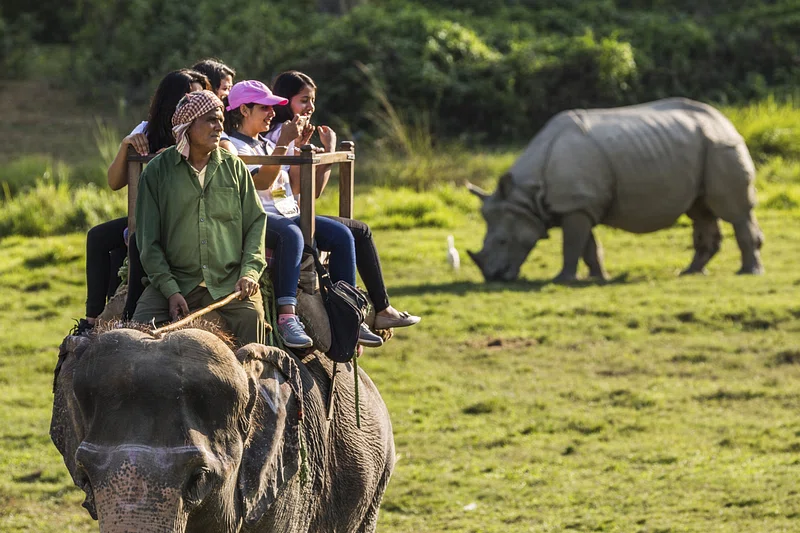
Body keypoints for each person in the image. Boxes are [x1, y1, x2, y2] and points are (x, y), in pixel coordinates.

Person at [224, 80, 384, 349]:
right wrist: (284, 143)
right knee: (292, 234)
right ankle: (288, 316)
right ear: (243, 110)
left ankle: (350, 314)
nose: (273, 114)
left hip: (287, 213)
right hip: (256, 217)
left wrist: (298, 146)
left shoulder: (264, 143)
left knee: (343, 235)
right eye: (266, 107)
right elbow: (261, 183)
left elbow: (295, 187)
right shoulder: (231, 146)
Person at [268, 70, 421, 331]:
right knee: (353, 232)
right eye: (304, 100)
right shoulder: (281, 134)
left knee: (358, 231)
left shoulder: (293, 132)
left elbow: (310, 190)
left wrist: (326, 153)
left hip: (291, 207)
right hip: (284, 214)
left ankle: (373, 309)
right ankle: (361, 312)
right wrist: (323, 152)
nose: (311, 107)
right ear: (286, 100)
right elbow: (306, 188)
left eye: (313, 100)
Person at [75, 69, 210, 334]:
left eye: (201, 96)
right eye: (190, 96)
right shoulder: (147, 130)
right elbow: (114, 182)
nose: (196, 103)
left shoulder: (207, 130)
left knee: (138, 242)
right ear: (172, 99)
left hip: (188, 216)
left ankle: (131, 315)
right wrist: (126, 146)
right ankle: (91, 321)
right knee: (98, 236)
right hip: (151, 215)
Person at [132, 90, 267, 346]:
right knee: (137, 335)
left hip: (228, 283)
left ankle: (256, 386)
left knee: (253, 317)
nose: (219, 127)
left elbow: (255, 223)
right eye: (210, 120)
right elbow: (148, 242)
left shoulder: (234, 167)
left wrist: (249, 272)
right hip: (177, 280)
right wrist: (170, 290)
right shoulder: (157, 172)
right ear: (187, 127)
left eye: (220, 120)